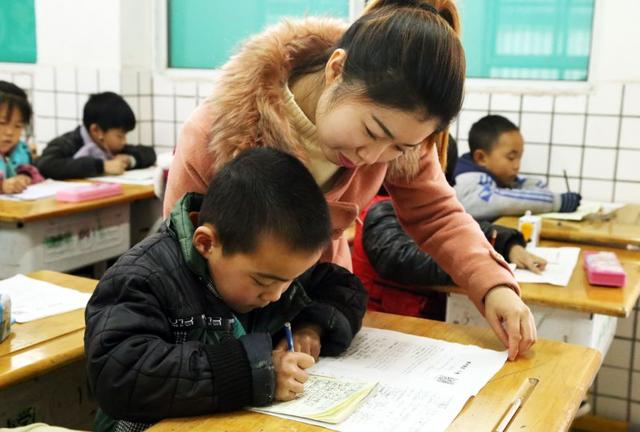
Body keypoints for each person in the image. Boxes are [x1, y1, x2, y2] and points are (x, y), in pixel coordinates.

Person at [164, 0, 536, 360]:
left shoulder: (400, 136)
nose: (373, 157)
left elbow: (436, 215)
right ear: (336, 69)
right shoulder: (218, 132)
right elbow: (179, 255)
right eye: (372, 130)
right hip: (225, 329)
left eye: (399, 148)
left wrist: (494, 286)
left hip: (321, 317)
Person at [84, 148, 367, 431]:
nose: (276, 295)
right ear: (206, 244)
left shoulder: (272, 262)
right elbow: (120, 375)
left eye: (291, 280)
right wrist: (255, 373)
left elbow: (343, 287)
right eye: (263, 282)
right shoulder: (142, 279)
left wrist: (313, 326)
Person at [352, 136, 547, 319]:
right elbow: (401, 259)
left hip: (418, 314)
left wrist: (506, 243)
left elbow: (460, 228)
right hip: (384, 321)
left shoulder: (421, 206)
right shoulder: (379, 209)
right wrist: (471, 267)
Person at [454, 114, 582, 221]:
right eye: (511, 157)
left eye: (519, 157)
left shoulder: (496, 178)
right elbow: (499, 202)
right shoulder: (466, 179)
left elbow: (537, 186)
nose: (517, 166)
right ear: (481, 158)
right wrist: (556, 202)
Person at [37, 92, 156, 179]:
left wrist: (130, 160)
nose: (124, 141)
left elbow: (149, 153)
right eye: (120, 136)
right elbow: (45, 165)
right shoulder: (68, 143)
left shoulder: (110, 147)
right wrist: (102, 166)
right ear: (96, 130)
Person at [0, 81, 43, 194]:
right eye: (2, 123)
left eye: (18, 126)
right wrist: (2, 186)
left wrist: (25, 176)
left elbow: (36, 176)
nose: (10, 132)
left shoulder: (20, 151)